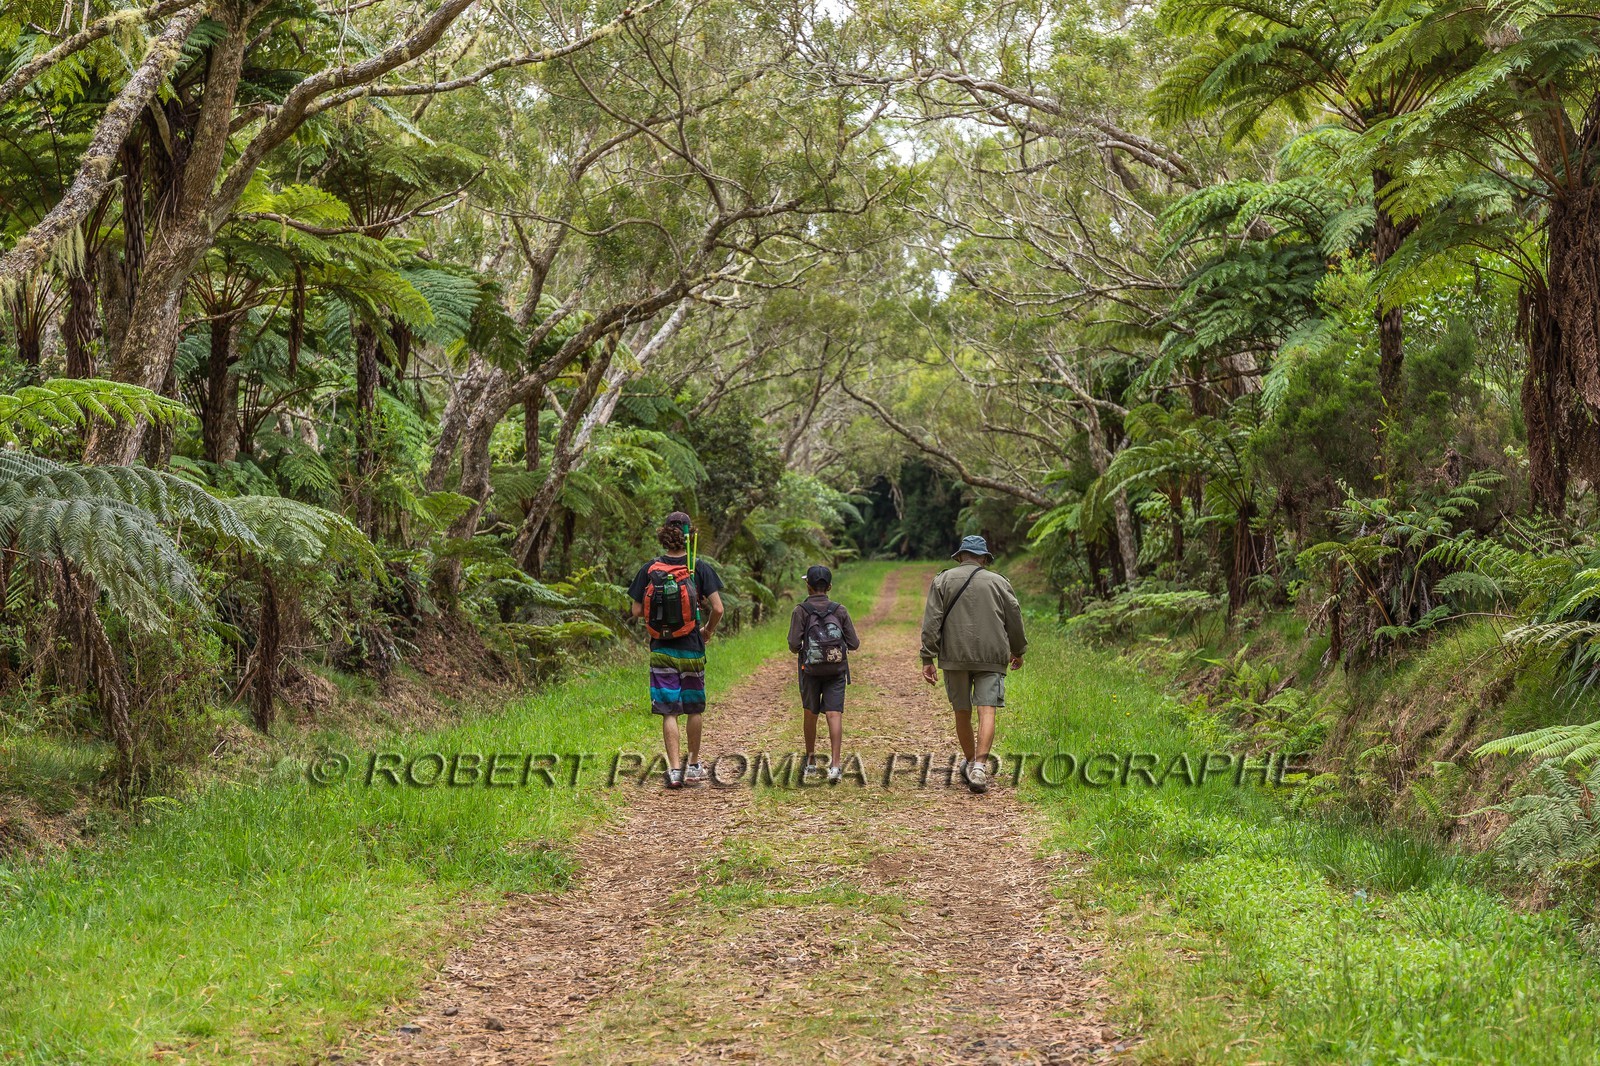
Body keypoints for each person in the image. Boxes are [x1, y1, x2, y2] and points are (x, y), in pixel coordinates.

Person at [919, 535, 1026, 794]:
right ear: (984, 559)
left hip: (954, 656)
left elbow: (932, 620)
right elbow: (1014, 617)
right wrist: (1018, 649)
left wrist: (927, 657)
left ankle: (969, 761)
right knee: (987, 710)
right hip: (991, 655)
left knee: (962, 711)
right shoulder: (999, 582)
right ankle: (979, 766)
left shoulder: (942, 580)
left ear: (959, 556)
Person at [628, 511, 725, 789]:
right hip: (692, 646)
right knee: (693, 707)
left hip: (661, 648)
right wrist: (707, 631)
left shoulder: (650, 568)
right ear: (688, 535)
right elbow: (718, 608)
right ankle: (693, 765)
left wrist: (657, 620)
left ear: (665, 534)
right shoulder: (698, 568)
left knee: (669, 710)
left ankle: (673, 770)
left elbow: (635, 610)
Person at [787, 564, 860, 784]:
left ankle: (810, 763)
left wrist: (805, 650)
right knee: (834, 714)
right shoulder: (840, 610)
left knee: (810, 713)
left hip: (809, 670)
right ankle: (835, 766)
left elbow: (793, 643)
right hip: (836, 670)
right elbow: (854, 643)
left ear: (808, 585)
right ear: (829, 586)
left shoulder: (800, 610)